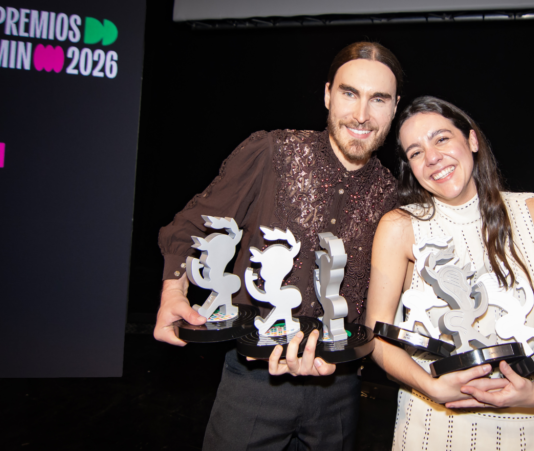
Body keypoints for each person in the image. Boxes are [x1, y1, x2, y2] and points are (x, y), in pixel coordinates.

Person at [154, 42, 401, 450]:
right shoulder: (272, 152)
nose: (361, 115)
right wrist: (172, 291)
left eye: (378, 99)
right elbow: (190, 226)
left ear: (394, 108)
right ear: (327, 94)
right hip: (253, 387)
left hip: (338, 394)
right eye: (349, 93)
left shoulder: (393, 196)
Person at [366, 96, 534, 450]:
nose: (432, 158)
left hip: (526, 433)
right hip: (428, 430)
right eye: (415, 152)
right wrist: (431, 385)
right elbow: (374, 335)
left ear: (471, 140)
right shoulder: (400, 227)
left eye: (441, 139)